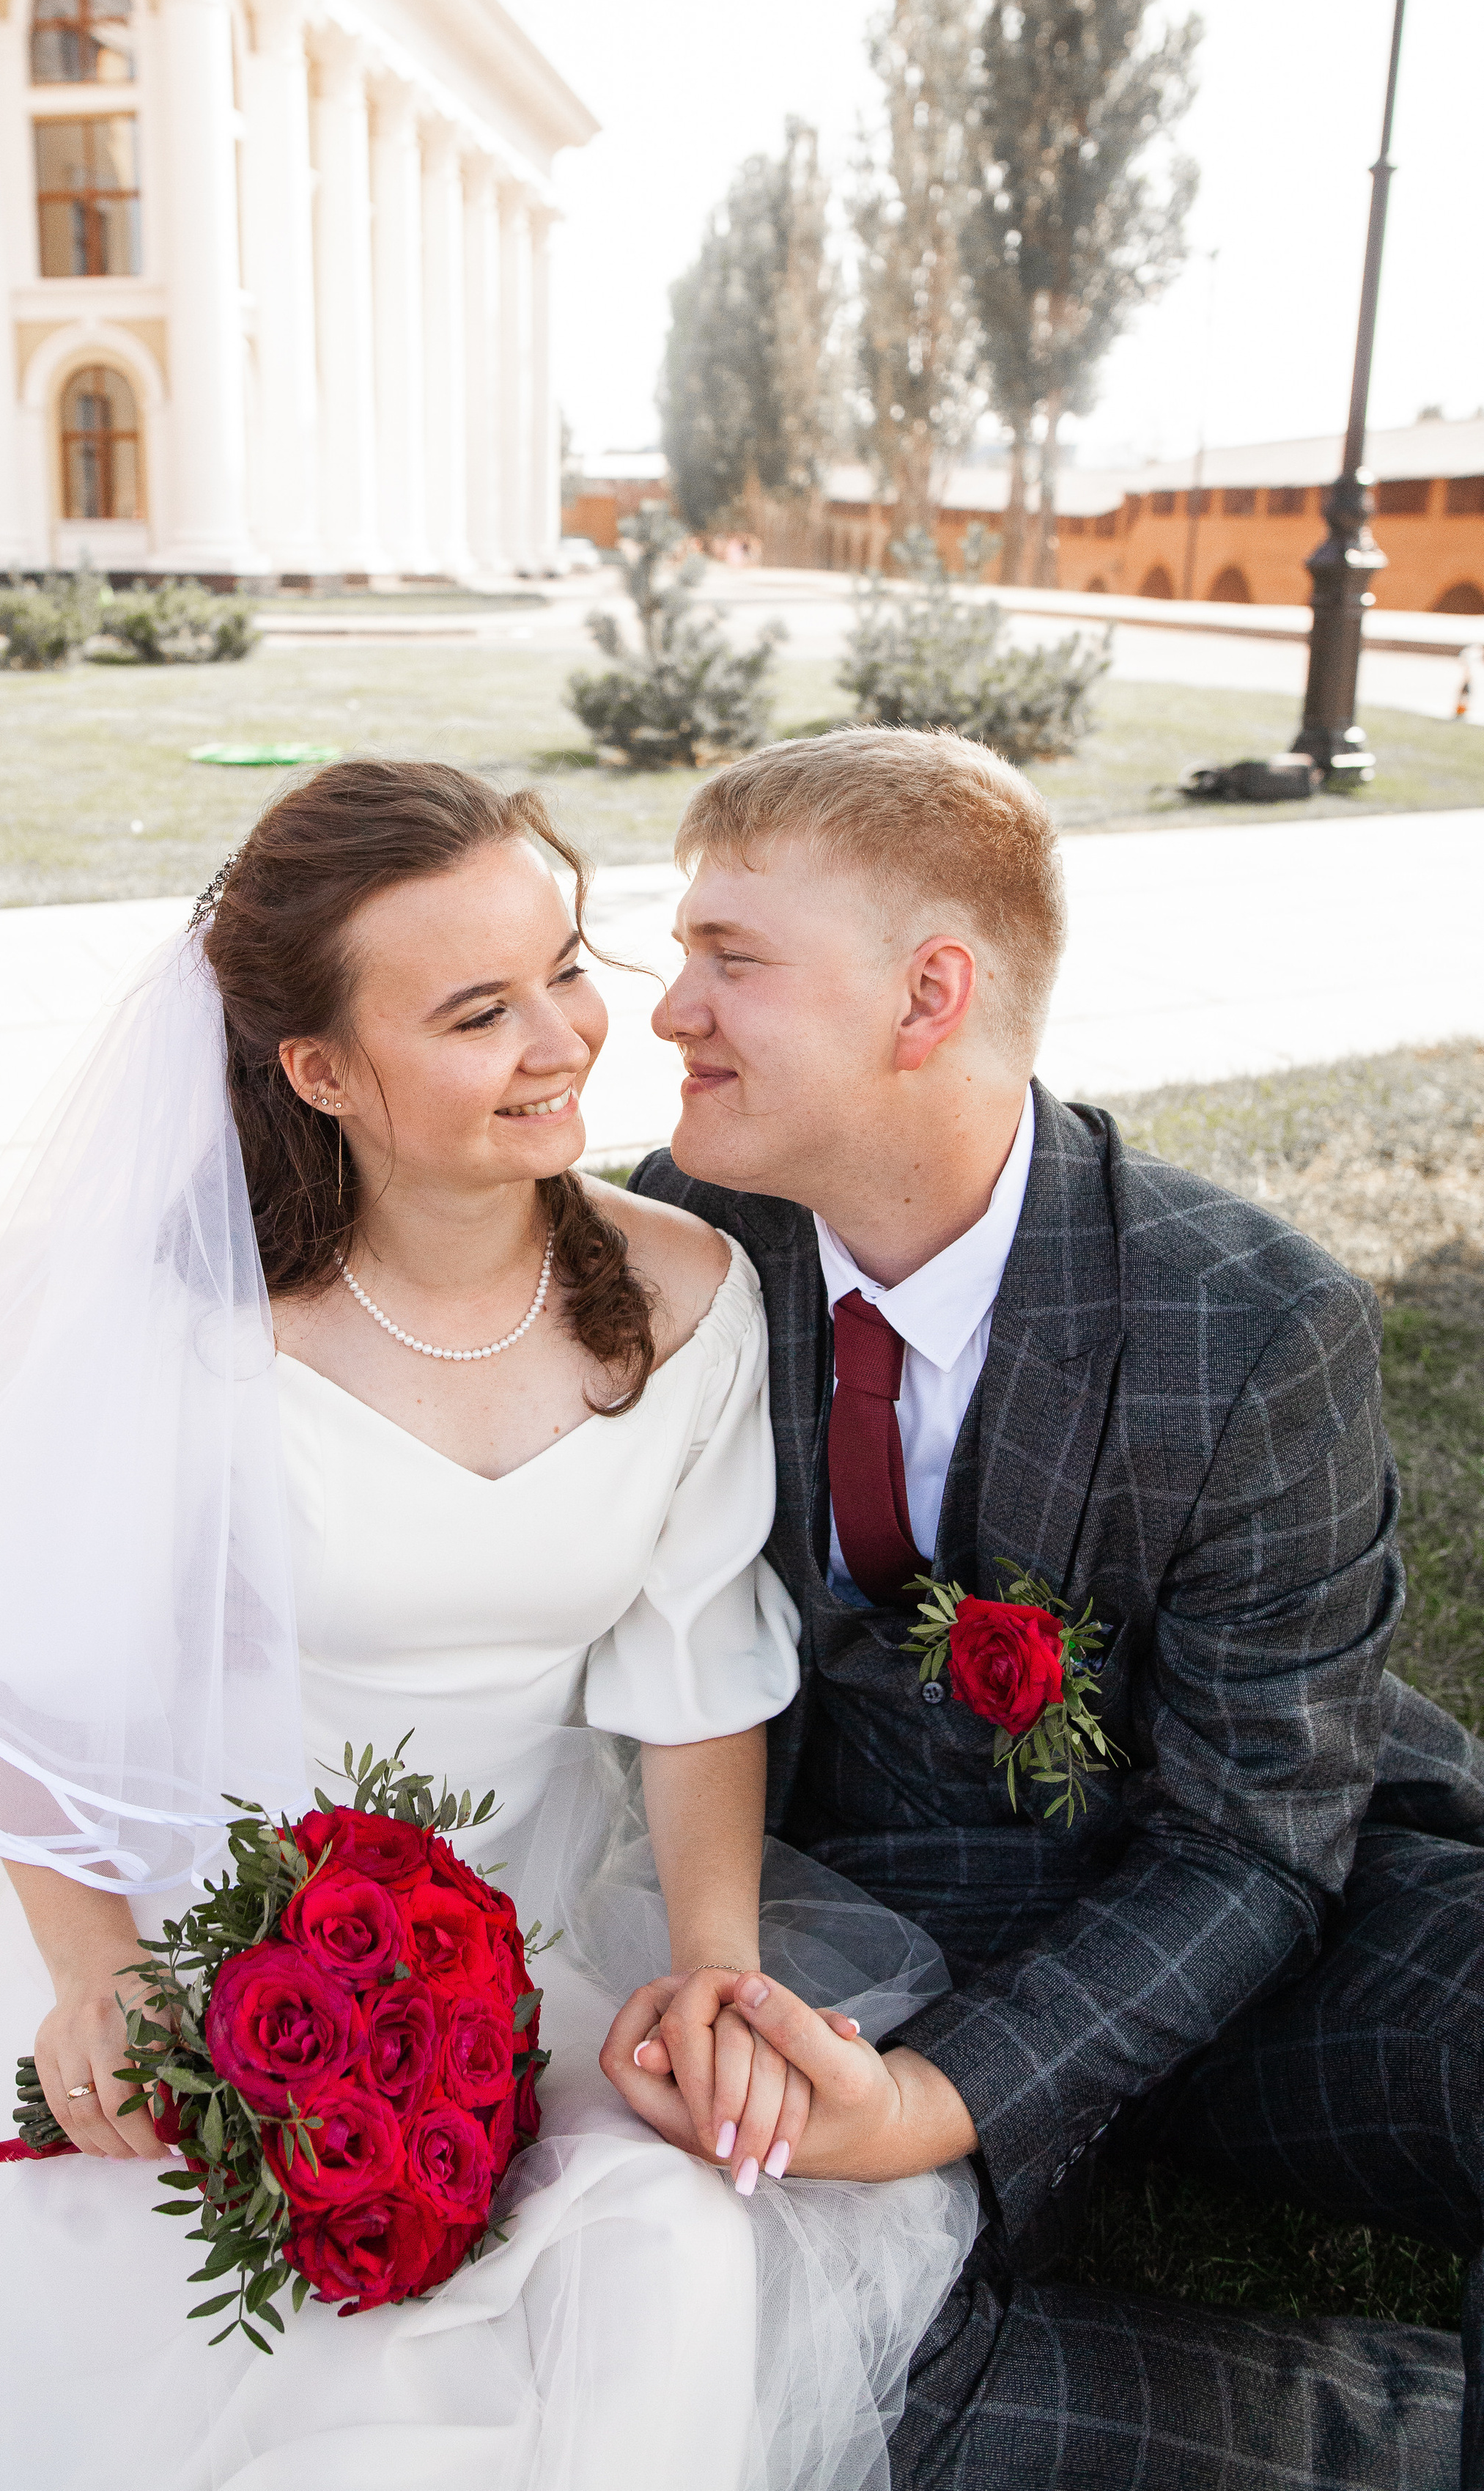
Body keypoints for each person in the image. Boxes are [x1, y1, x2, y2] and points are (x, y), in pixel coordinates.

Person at [0, 760, 977, 2491]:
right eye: (476, 1012)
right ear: (319, 1070)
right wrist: (99, 1975)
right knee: (182, 2335)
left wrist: (711, 1964)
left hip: (538, 1935)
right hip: (193, 1939)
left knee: (662, 2251)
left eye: (564, 967)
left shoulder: (691, 1299)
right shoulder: (182, 1334)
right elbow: (3, 1681)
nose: (562, 1039)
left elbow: (695, 1678)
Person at [607, 724, 1484, 2488]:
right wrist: (864, 2078)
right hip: (860, 1936)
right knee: (754, 2364)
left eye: (731, 958)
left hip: (1259, 1933)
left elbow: (1253, 1845)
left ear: (926, 997)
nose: (668, 1011)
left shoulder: (1247, 1326)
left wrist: (932, 2110)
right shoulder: (683, 1238)